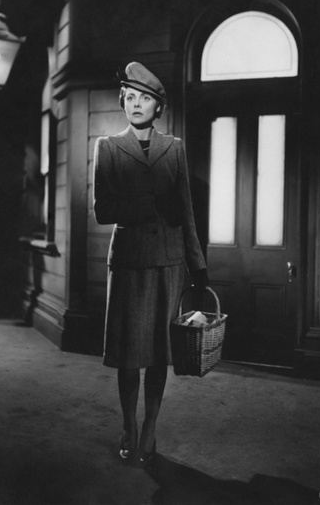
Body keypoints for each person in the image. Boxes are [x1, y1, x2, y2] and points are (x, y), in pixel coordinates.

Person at [93, 61, 207, 465]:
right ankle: (129, 424)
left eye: (145, 98)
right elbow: (103, 210)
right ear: (122, 102)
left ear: (159, 107)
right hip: (129, 264)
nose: (136, 104)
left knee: (160, 354)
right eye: (130, 97)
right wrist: (153, 203)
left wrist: (197, 263)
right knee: (129, 356)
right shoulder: (107, 147)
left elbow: (187, 211)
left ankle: (151, 427)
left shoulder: (174, 148)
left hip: (168, 264)